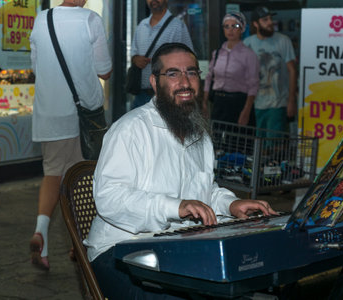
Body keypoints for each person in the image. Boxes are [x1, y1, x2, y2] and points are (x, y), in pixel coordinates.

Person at [84, 43, 277, 299]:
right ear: (154, 82)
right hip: (121, 249)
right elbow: (109, 198)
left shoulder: (199, 133)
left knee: (253, 283)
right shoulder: (130, 130)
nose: (185, 82)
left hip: (177, 244)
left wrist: (231, 204)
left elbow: (205, 191)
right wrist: (175, 206)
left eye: (192, 72)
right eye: (173, 73)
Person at [28, 0, 112, 271]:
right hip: (82, 116)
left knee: (53, 174)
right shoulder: (90, 20)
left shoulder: (42, 19)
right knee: (83, 178)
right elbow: (105, 71)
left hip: (48, 112)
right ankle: (82, 244)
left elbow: (36, 67)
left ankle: (42, 233)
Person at [243, 6, 297, 137]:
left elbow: (292, 71)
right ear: (256, 24)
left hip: (277, 103)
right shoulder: (247, 43)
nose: (270, 22)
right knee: (259, 146)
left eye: (270, 19)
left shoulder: (283, 40)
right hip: (256, 104)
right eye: (265, 19)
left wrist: (291, 100)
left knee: (274, 146)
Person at [129, 0, 194, 110]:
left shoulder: (178, 26)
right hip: (141, 94)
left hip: (167, 95)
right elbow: (133, 53)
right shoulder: (141, 26)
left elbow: (190, 59)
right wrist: (136, 59)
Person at [203, 12, 259, 126]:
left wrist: (246, 111)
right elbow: (209, 78)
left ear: (242, 29)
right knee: (217, 140)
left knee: (238, 141)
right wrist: (204, 102)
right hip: (219, 103)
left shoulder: (249, 54)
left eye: (235, 26)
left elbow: (253, 86)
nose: (230, 30)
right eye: (227, 26)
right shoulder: (217, 53)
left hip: (239, 104)